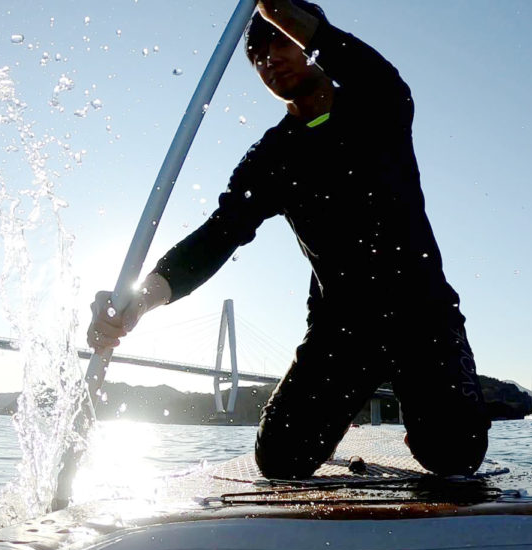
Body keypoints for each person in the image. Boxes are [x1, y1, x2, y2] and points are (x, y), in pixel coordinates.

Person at [87, 0, 489, 479]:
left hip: (421, 312)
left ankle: (428, 416)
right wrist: (138, 302)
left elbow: (335, 46)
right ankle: (339, 413)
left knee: (455, 455)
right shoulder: (272, 158)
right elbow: (216, 237)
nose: (268, 59)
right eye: (256, 54)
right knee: (280, 461)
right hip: (344, 327)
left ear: (309, 40)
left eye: (280, 41)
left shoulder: (379, 101)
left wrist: (273, 7)